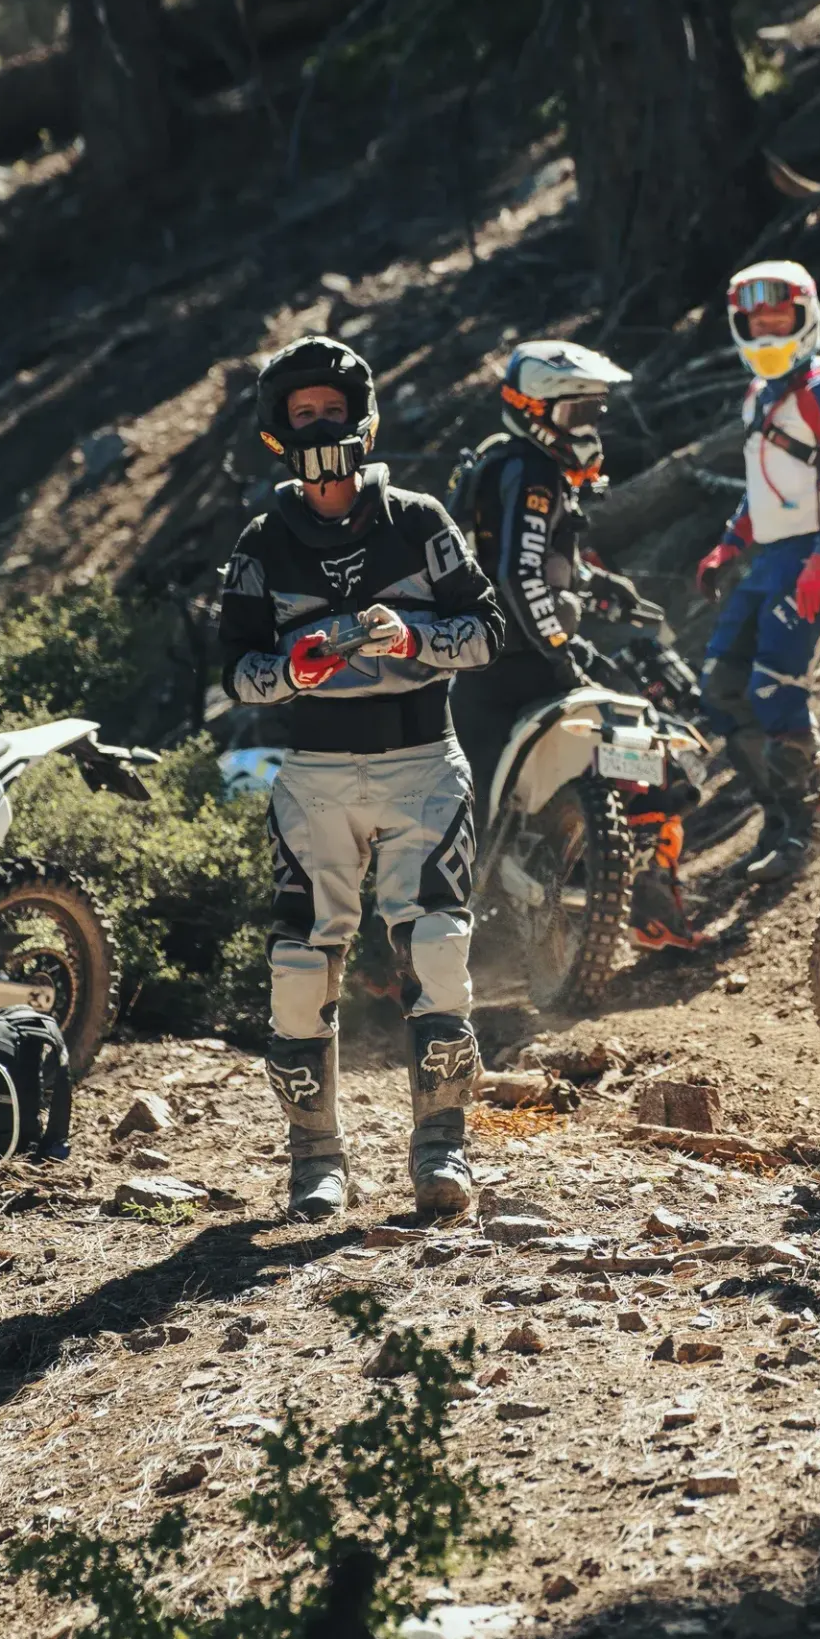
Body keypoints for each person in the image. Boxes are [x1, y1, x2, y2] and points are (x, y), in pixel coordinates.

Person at [219, 334, 505, 1224]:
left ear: (363, 418)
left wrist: (414, 639)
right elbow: (233, 668)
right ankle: (315, 1162)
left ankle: (442, 1150)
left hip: (424, 761)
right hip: (313, 772)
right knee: (302, 962)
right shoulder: (263, 542)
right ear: (277, 431)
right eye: (301, 414)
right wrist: (292, 669)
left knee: (438, 948)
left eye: (331, 410)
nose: (319, 425)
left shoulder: (420, 520)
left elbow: (490, 631)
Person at [450, 338, 699, 951]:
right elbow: (518, 572)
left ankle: (622, 895)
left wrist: (597, 588)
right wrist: (560, 642)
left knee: (636, 746)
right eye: (573, 413)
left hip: (496, 657)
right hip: (514, 662)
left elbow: (541, 562)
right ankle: (644, 905)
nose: (586, 426)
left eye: (593, 412)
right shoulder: (530, 470)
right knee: (643, 750)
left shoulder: (509, 462)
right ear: (529, 407)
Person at [694, 260, 820, 884]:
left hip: (813, 555)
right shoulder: (761, 394)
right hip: (771, 558)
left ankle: (811, 829)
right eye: (758, 319)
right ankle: (778, 818)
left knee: (776, 687)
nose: (769, 329)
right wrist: (728, 543)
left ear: (807, 318)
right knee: (722, 685)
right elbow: (767, 487)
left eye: (781, 317)